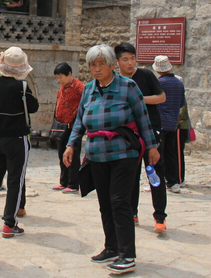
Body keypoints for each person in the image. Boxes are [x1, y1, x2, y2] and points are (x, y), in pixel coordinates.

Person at [63, 45, 159, 275]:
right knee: (105, 203)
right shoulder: (89, 89)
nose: (97, 69)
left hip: (123, 153)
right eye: (93, 65)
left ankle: (127, 255)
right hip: (97, 154)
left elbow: (142, 117)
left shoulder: (128, 87)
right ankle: (112, 247)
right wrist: (71, 144)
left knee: (119, 202)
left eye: (101, 64)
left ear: (112, 64)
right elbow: (80, 120)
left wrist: (152, 147)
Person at [0, 47, 39, 238]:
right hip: (17, 139)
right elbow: (34, 107)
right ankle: (10, 223)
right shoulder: (22, 87)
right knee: (15, 181)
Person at [114, 42, 168, 233]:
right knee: (131, 174)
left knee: (154, 172)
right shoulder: (116, 81)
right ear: (117, 62)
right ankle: (132, 212)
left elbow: (161, 97)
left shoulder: (145, 75)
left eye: (132, 58)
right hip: (130, 134)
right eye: (125, 59)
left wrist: (139, 100)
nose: (130, 63)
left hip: (151, 131)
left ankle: (159, 216)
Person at [153, 55, 187, 192]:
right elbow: (181, 103)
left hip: (160, 123)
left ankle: (157, 182)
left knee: (157, 153)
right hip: (173, 123)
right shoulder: (179, 83)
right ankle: (173, 182)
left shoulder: (159, 83)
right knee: (171, 153)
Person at [52, 62, 85, 193]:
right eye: (57, 78)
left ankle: (73, 183)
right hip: (61, 126)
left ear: (69, 74)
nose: (59, 80)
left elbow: (85, 103)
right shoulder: (62, 87)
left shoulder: (79, 87)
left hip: (73, 126)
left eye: (61, 77)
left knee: (73, 155)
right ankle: (64, 181)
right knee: (62, 154)